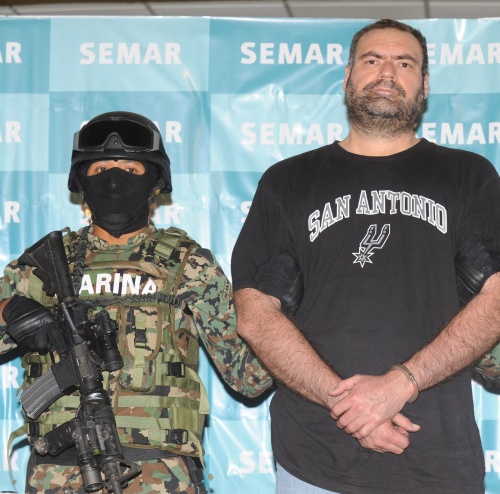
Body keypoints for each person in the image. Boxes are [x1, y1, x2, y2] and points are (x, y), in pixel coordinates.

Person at [231, 18, 500, 494]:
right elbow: (254, 314)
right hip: (314, 461)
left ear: (425, 85)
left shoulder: (469, 175)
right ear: (348, 77)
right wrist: (351, 408)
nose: (387, 72)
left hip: (438, 459)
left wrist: (401, 383)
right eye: (372, 60)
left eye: (405, 63)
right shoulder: (287, 181)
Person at [0, 111, 275, 493]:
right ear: (81, 182)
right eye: (100, 169)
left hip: (159, 477)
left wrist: (279, 312)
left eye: (130, 169)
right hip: (59, 473)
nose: (115, 180)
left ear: (155, 182)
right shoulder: (46, 264)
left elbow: (248, 377)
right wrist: (10, 310)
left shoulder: (187, 263)